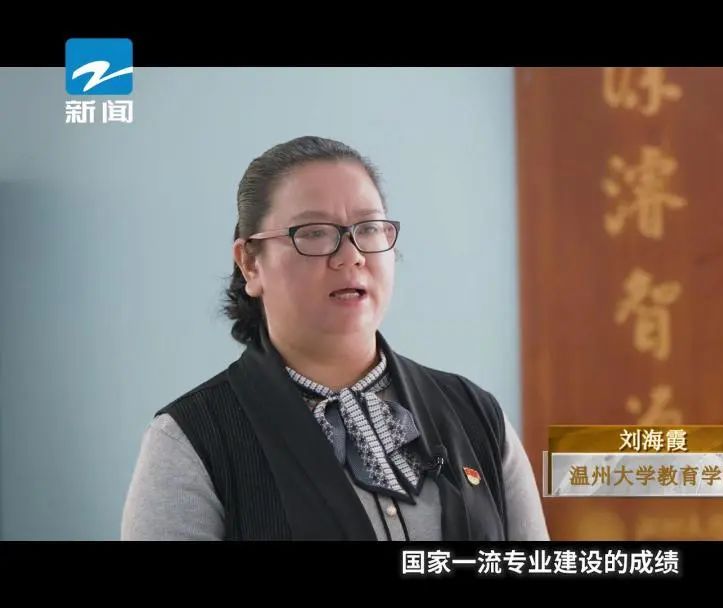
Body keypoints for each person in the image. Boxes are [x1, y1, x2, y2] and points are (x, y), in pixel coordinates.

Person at [121, 135, 549, 541]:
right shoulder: (190, 439)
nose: (352, 256)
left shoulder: (475, 414)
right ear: (250, 263)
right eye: (313, 233)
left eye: (369, 228)